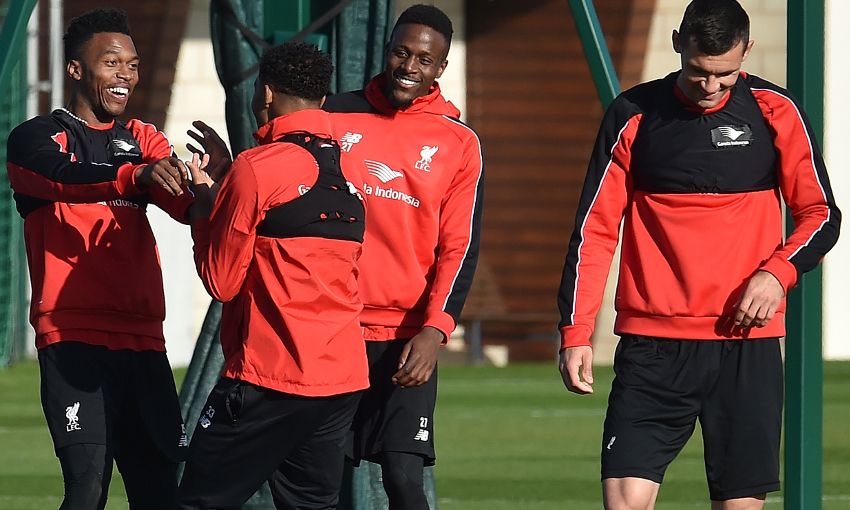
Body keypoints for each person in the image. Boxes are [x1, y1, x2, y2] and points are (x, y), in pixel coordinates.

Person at [555, 1, 841, 509]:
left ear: (746, 53)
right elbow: (594, 230)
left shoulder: (777, 110)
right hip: (653, 346)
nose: (710, 86)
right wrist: (576, 331)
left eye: (725, 76)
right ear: (677, 43)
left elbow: (821, 215)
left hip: (745, 346)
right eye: (698, 72)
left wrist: (777, 274)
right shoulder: (632, 114)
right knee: (623, 501)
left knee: (738, 505)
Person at [5, 8, 193, 510]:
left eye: (132, 64)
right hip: (73, 337)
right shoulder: (36, 138)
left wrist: (215, 183)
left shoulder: (146, 139)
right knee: (87, 488)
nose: (125, 75)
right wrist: (135, 177)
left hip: (143, 340)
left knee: (159, 495)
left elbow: (187, 207)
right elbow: (60, 178)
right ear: (75, 70)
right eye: (112, 62)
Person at [177, 41, 369, 509]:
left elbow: (221, 281)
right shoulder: (357, 169)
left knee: (196, 501)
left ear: (264, 93)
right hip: (340, 381)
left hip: (270, 378)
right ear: (322, 100)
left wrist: (206, 205)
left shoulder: (257, 167)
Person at [323, 4, 484, 508]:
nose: (409, 67)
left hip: (406, 340)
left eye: (424, 59)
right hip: (333, 329)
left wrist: (434, 331)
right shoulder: (332, 116)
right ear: (386, 51)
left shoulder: (460, 141)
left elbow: (460, 244)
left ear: (441, 67)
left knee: (403, 478)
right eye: (401, 52)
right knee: (322, 481)